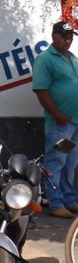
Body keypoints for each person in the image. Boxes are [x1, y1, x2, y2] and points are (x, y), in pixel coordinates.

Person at [32, 21, 78, 219]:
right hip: (60, 123)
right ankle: (54, 201)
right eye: (63, 36)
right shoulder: (45, 59)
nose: (67, 40)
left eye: (70, 37)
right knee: (56, 161)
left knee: (70, 163)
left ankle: (69, 199)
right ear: (54, 35)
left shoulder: (72, 58)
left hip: (74, 121)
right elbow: (40, 89)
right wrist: (57, 114)